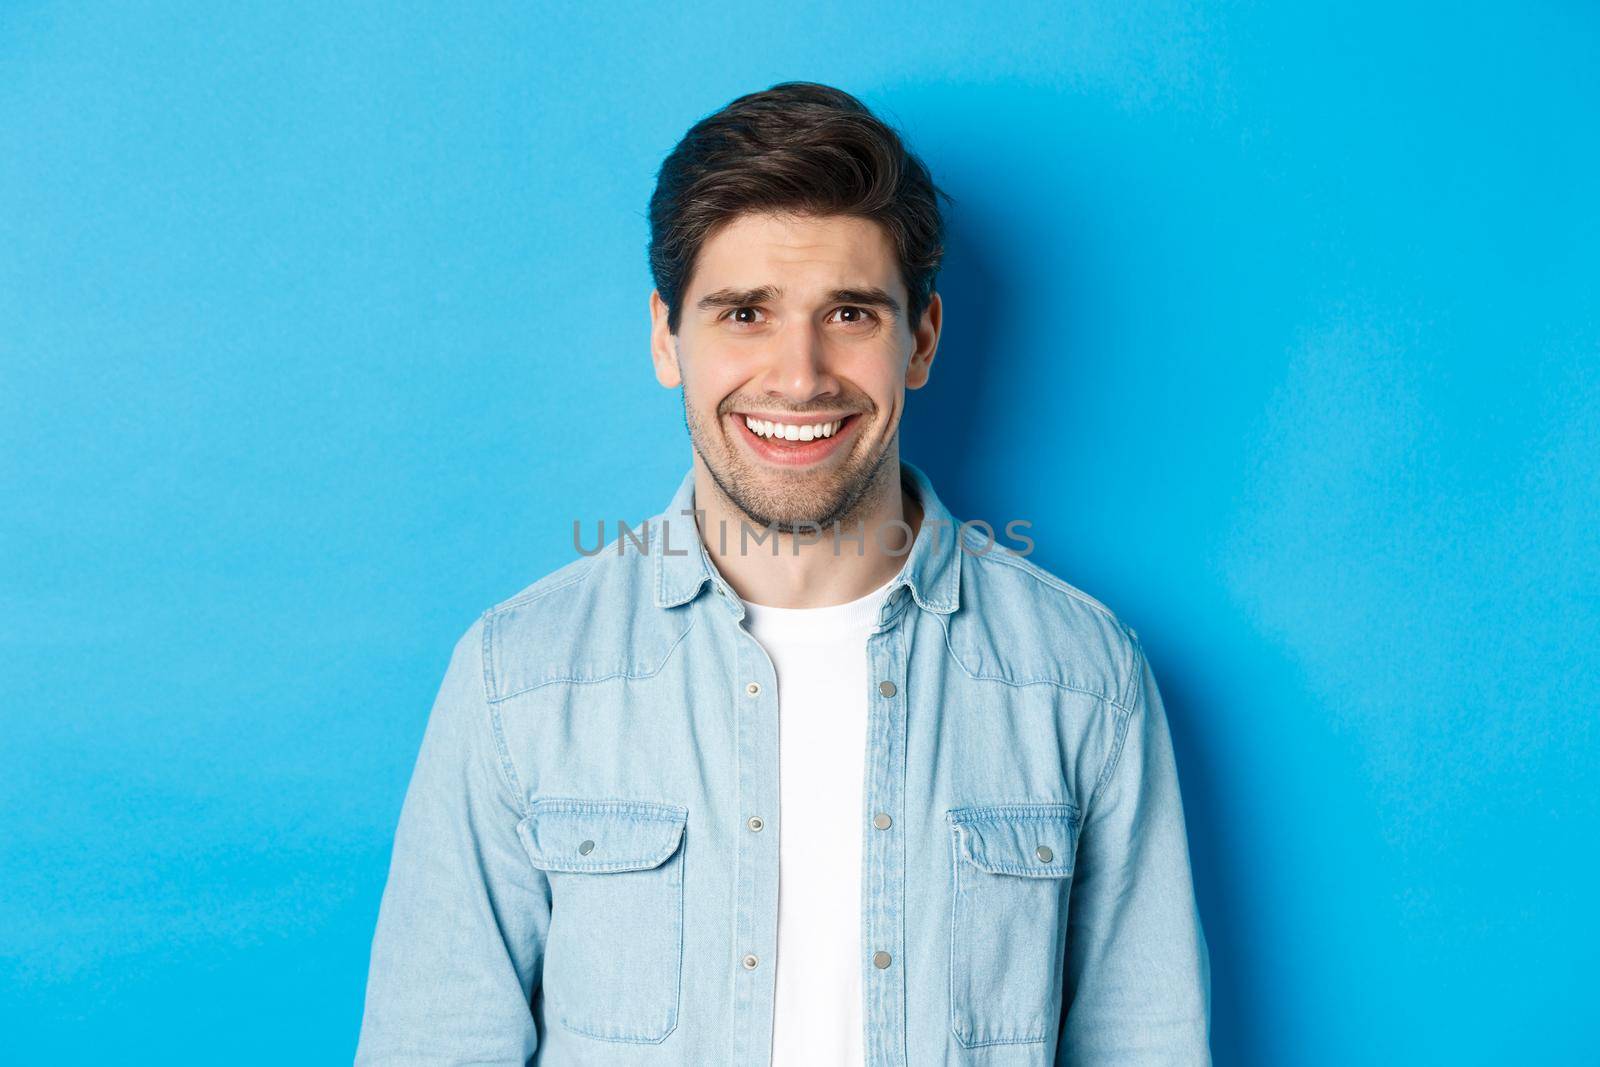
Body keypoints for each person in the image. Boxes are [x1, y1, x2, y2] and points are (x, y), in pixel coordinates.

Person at [354, 80, 1210, 1066]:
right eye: (744, 312)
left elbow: (1149, 1044)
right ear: (666, 338)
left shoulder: (1081, 679)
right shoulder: (519, 680)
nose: (798, 375)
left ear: (919, 340)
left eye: (847, 312)